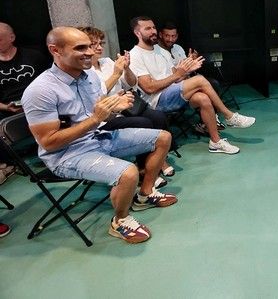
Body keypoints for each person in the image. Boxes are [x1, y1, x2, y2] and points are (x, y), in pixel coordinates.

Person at [22, 27, 177, 244]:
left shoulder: (90, 78)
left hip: (96, 138)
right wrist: (96, 119)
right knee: (128, 172)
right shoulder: (41, 90)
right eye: (80, 48)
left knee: (162, 137)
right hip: (65, 155)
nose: (89, 51)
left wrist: (114, 107)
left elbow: (97, 112)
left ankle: (145, 195)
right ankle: (120, 220)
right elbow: (48, 142)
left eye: (89, 45)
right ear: (55, 50)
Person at [128, 17, 255, 154]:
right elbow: (149, 88)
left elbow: (175, 77)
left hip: (172, 92)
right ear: (137, 33)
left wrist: (188, 69)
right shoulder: (135, 55)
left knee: (203, 98)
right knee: (200, 80)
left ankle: (215, 142)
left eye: (153, 27)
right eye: (148, 28)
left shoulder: (160, 51)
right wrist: (178, 75)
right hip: (156, 101)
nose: (153, 31)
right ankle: (229, 116)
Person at [78, 26, 175, 179]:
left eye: (101, 43)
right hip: (106, 117)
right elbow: (96, 96)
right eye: (93, 44)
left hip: (126, 107)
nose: (98, 48)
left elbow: (130, 83)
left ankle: (158, 159)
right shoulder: (83, 71)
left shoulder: (107, 62)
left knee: (158, 116)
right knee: (143, 122)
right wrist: (116, 74)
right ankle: (144, 168)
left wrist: (127, 69)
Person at [0, 22, 49, 119]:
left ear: (12, 38)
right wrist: (6, 107)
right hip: (6, 112)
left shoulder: (33, 56)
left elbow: (51, 81)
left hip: (39, 105)